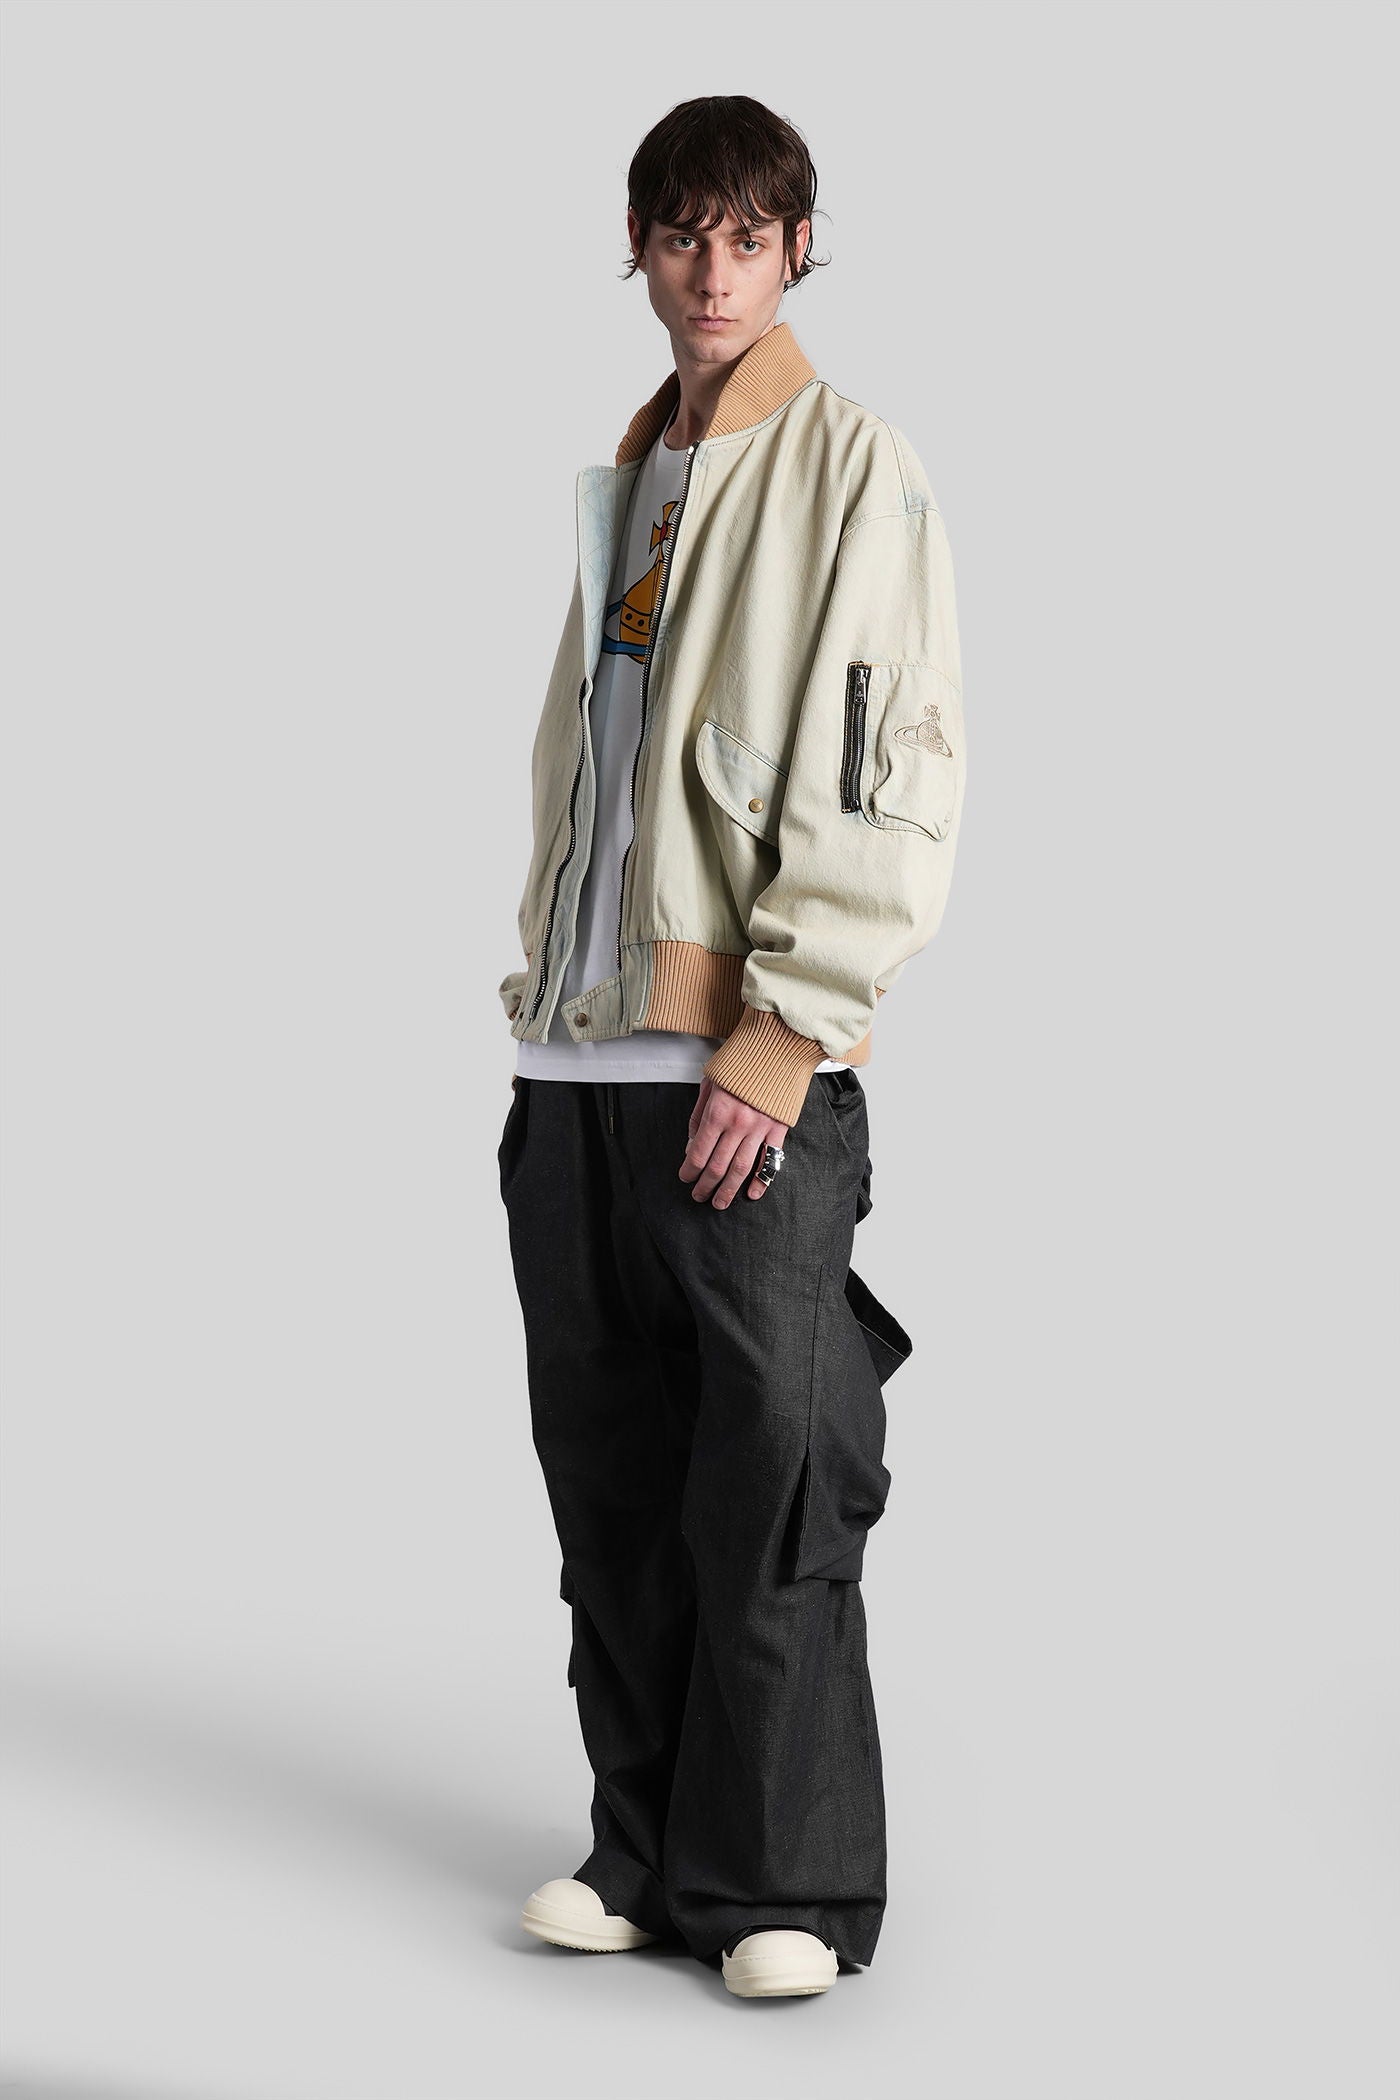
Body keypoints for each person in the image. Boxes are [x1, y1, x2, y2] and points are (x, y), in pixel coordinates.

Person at [495, 94, 966, 2001]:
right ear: (638, 248)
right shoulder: (635, 476)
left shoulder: (851, 468)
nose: (712, 269)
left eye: (748, 236)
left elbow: (888, 769)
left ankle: (783, 1889)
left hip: (742, 1075)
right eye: (681, 232)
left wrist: (781, 1038)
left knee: (771, 1479)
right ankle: (641, 1853)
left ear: (797, 251)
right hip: (576, 1070)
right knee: (609, 1479)